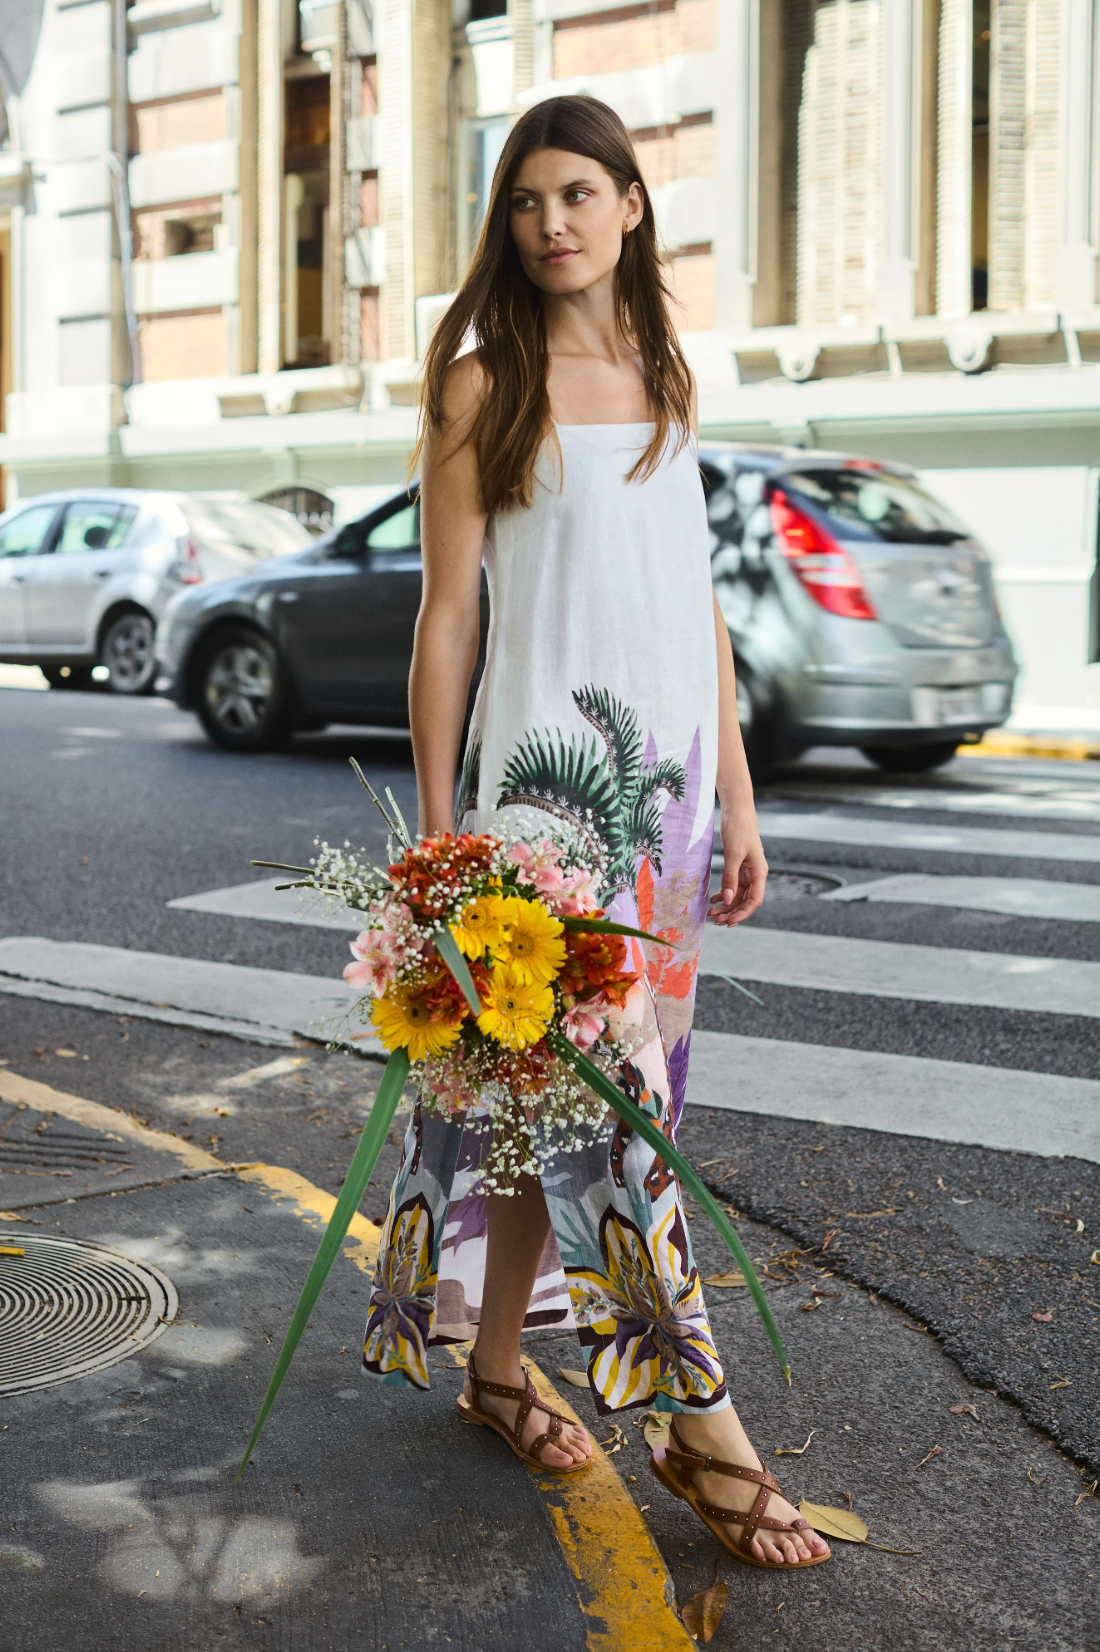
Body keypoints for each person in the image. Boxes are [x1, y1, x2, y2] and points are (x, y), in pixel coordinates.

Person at [362, 94, 830, 1571]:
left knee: (543, 1116)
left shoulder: (668, 379)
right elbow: (447, 616)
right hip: (542, 810)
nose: (550, 222)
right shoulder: (481, 386)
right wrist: (440, 837)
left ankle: (500, 1376)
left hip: (666, 802)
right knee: (607, 1117)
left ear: (632, 207)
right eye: (524, 200)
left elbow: (688, 607)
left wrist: (739, 798)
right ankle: (704, 1430)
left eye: (579, 193)